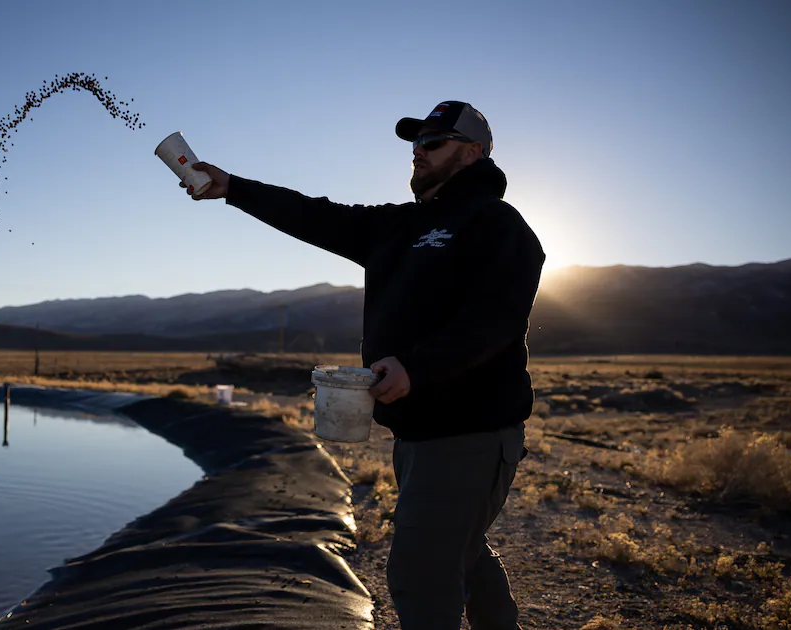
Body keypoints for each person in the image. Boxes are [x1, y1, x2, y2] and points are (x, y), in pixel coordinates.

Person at [182, 101, 544, 629]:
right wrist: (233, 188)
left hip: (472, 432)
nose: (418, 151)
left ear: (472, 153)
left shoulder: (499, 226)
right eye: (416, 142)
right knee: (462, 552)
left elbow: (495, 323)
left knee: (421, 571)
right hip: (417, 433)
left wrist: (418, 367)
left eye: (434, 142)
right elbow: (316, 215)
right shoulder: (397, 226)